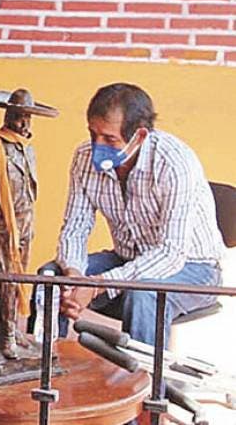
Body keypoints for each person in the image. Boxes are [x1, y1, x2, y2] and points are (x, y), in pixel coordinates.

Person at [51, 82, 225, 346]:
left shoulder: (175, 163)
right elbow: (75, 227)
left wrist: (97, 284)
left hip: (194, 268)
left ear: (140, 136)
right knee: (50, 278)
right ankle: (46, 363)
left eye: (109, 139)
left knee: (143, 294)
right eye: (93, 133)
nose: (97, 145)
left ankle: (146, 373)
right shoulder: (83, 157)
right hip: (128, 258)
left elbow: (171, 253)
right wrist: (73, 273)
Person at [0, 88, 58, 360]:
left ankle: (12, 329)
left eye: (28, 117)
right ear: (9, 115)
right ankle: (4, 336)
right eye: (20, 116)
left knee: (19, 280)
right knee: (6, 283)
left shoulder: (26, 148)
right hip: (0, 229)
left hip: (23, 226)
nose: (24, 122)